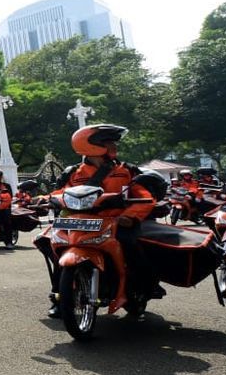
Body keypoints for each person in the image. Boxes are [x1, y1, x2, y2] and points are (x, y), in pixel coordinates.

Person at [38, 124, 156, 318]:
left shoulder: (127, 170)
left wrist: (130, 215)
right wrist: (44, 199)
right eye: (107, 142)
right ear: (90, 145)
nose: (113, 146)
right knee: (52, 246)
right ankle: (59, 298)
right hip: (79, 220)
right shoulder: (74, 173)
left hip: (116, 221)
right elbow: (60, 192)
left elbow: (145, 196)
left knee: (132, 246)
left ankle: (139, 292)